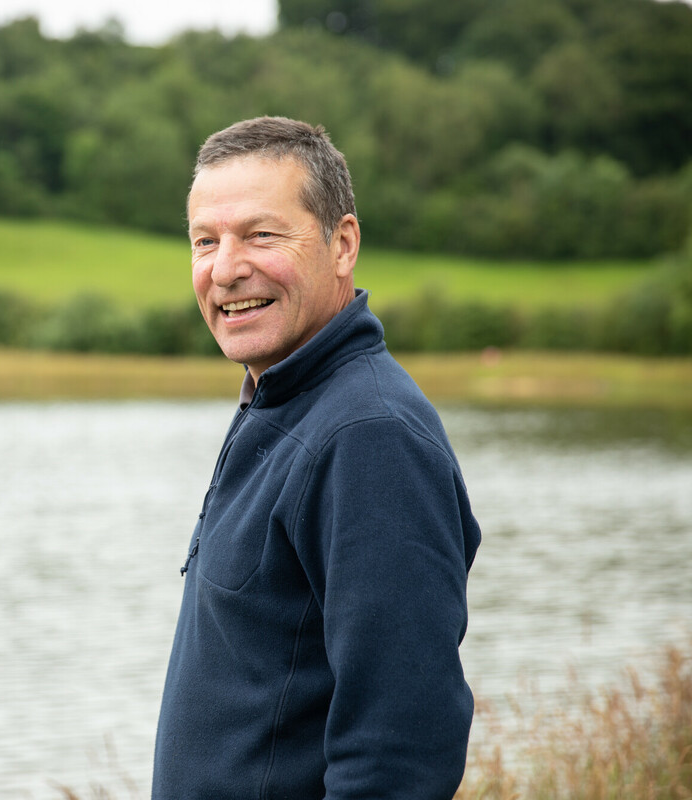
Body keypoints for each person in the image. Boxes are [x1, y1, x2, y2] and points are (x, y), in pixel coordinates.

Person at [152, 116, 482, 799]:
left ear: (342, 244)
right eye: (204, 241)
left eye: (261, 234)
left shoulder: (369, 437)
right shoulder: (280, 399)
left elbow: (400, 758)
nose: (225, 268)